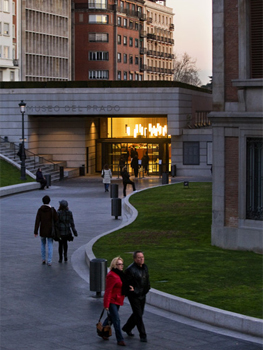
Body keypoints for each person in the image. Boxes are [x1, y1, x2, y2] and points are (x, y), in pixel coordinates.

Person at [102, 257, 132, 346]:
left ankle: (103, 331)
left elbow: (123, 285)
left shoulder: (120, 274)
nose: (121, 266)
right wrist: (106, 304)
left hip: (118, 299)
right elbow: (108, 291)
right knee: (116, 320)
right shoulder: (112, 275)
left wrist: (129, 288)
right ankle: (120, 339)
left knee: (111, 317)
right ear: (115, 265)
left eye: (122, 264)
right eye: (119, 264)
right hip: (112, 301)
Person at [122, 251, 150, 343]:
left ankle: (127, 327)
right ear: (135, 259)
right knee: (138, 315)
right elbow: (125, 282)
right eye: (139, 257)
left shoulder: (145, 267)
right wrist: (132, 290)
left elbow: (146, 279)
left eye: (142, 257)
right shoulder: (130, 270)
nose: (141, 259)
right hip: (134, 295)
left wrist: (147, 288)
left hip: (142, 294)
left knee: (139, 313)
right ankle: (143, 335)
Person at [34, 195, 58, 266]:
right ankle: (49, 261)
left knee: (42, 244)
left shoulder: (40, 210)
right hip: (50, 230)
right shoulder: (52, 210)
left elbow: (37, 221)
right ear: (49, 201)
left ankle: (43, 259)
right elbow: (56, 219)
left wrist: (36, 231)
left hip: (42, 230)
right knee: (50, 244)